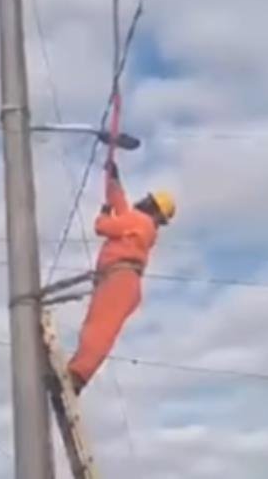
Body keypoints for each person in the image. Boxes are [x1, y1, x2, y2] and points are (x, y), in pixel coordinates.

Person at [67, 160, 175, 395]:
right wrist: (113, 181)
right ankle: (76, 371)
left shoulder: (141, 222)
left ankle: (77, 375)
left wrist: (103, 214)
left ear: (153, 208)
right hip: (120, 279)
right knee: (95, 328)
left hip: (120, 278)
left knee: (99, 330)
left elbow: (103, 227)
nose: (143, 201)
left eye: (149, 201)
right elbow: (121, 204)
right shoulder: (141, 223)